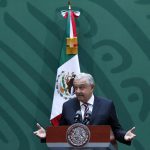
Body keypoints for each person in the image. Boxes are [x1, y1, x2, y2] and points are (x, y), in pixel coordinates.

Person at [33, 73, 136, 145]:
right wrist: (47, 135)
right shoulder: (67, 106)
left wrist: (124, 136)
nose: (77, 91)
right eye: (75, 87)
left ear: (92, 87)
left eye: (81, 87)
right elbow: (62, 131)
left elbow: (115, 129)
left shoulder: (107, 105)